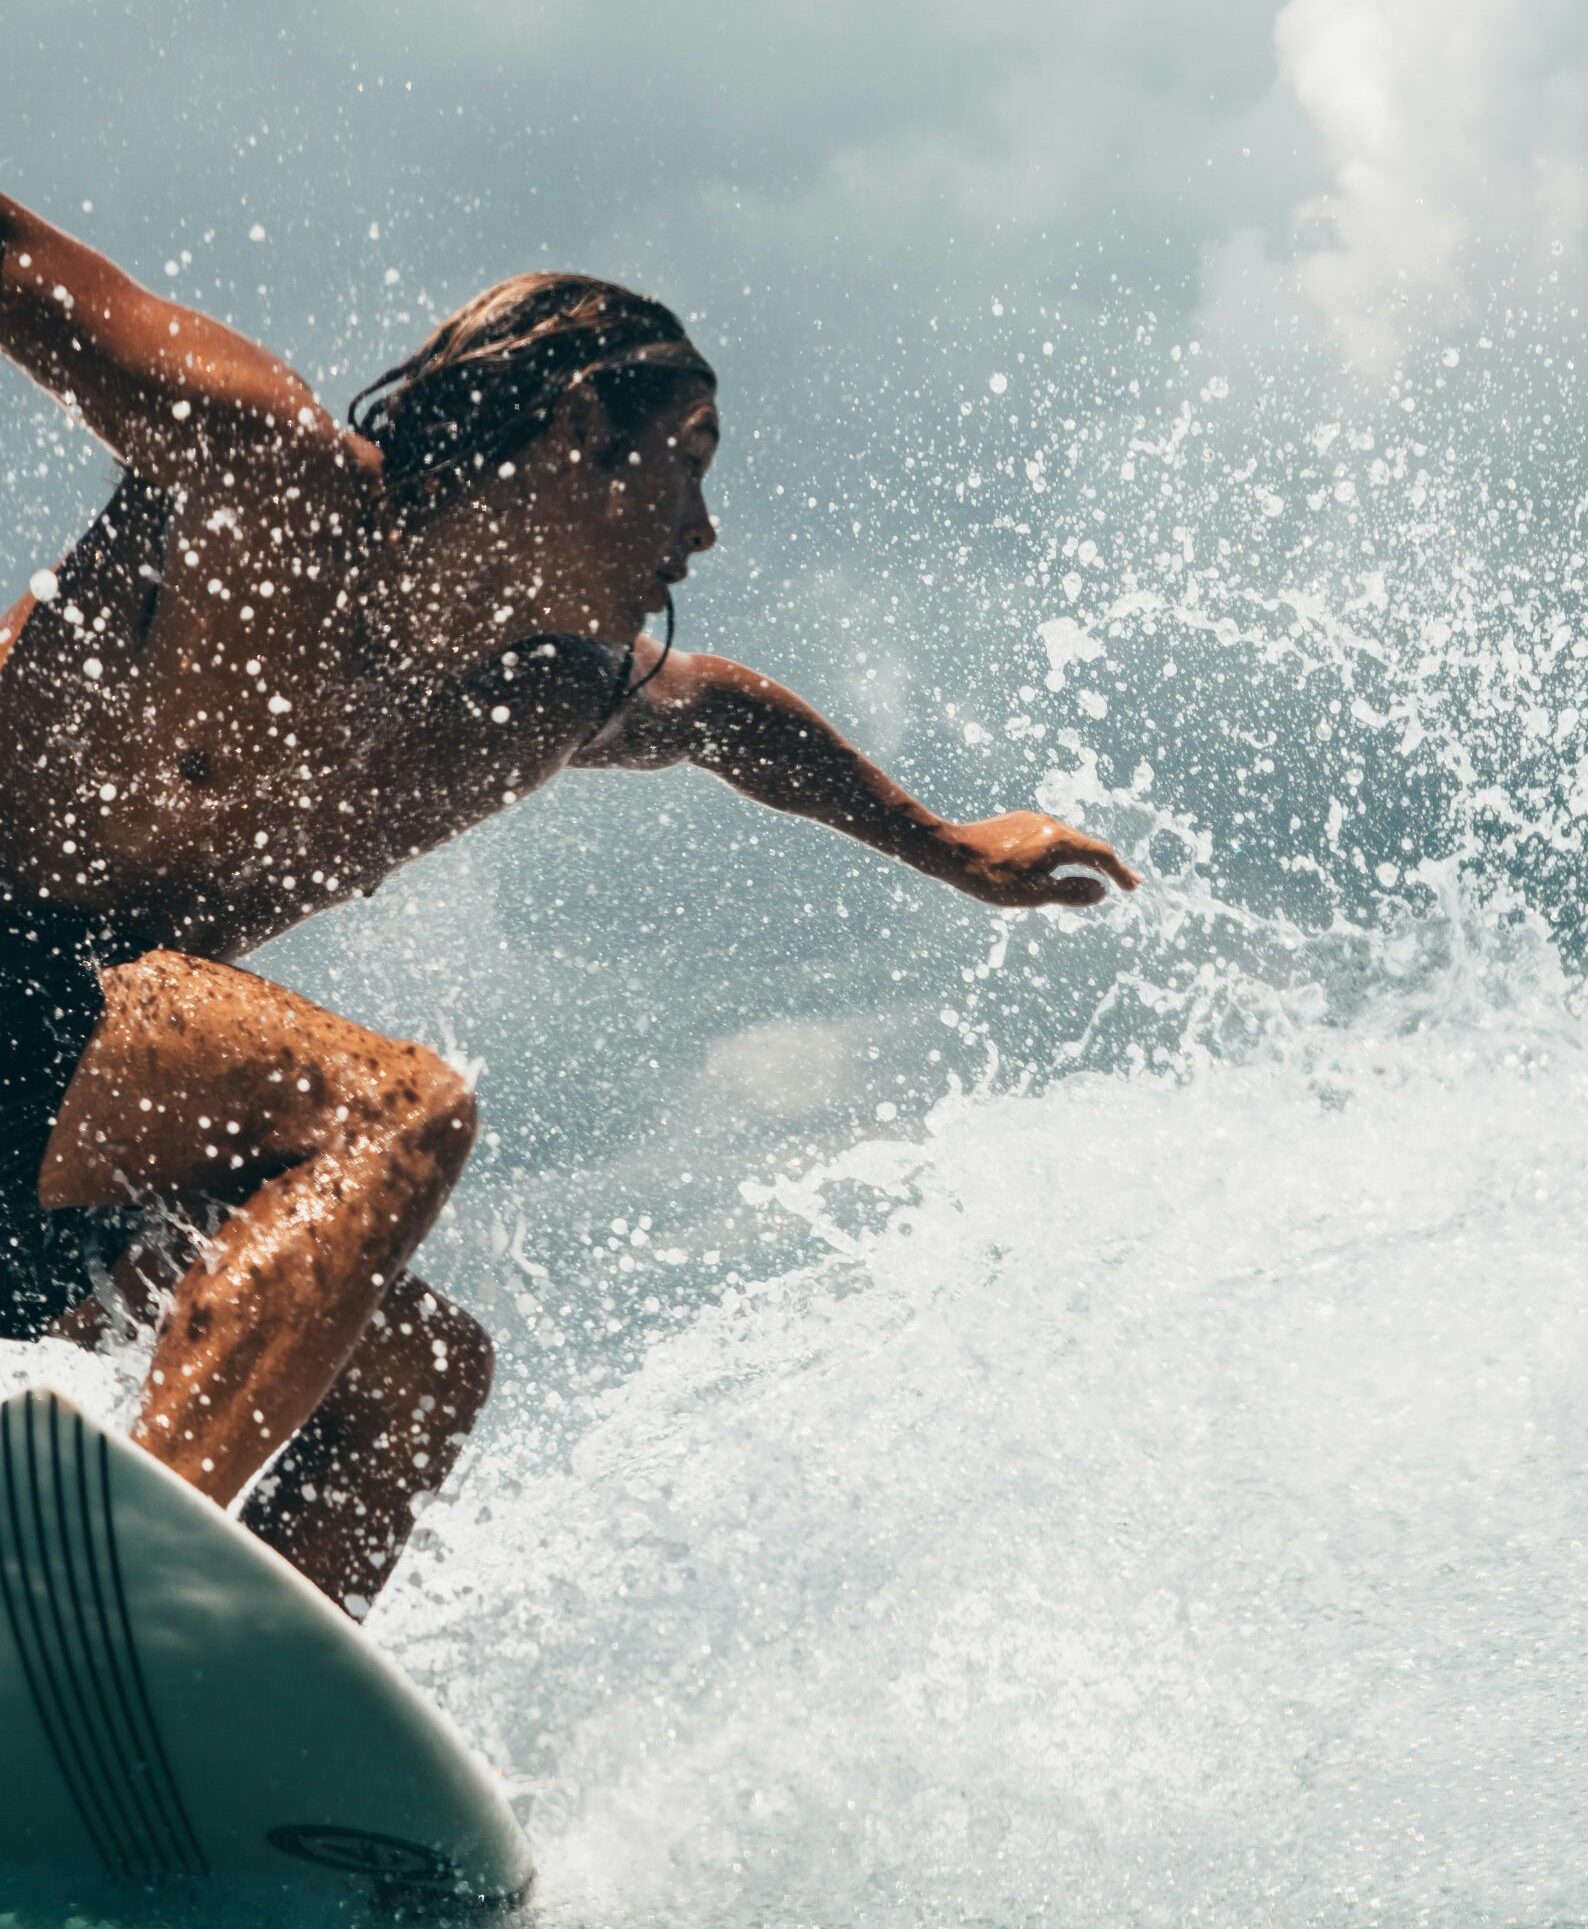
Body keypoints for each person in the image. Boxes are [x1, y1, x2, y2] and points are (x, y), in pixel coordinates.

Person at [0, 191, 1139, 1618]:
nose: (707, 530)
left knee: (419, 1381)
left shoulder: (526, 702)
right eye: (688, 464)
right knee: (396, 1110)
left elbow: (723, 719)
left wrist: (955, 848)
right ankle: (112, 1603)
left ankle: (213, 1732)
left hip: (54, 1111)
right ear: (571, 431)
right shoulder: (271, 484)